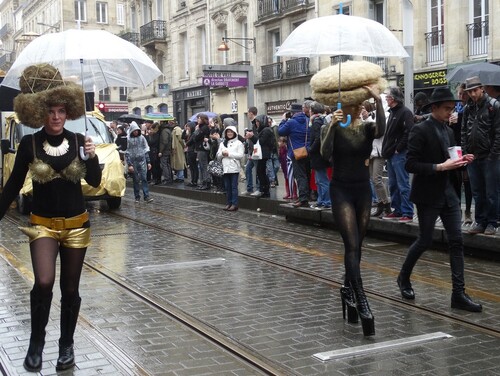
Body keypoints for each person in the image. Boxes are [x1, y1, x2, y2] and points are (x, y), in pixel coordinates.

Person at [0, 64, 102, 372]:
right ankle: (36, 343)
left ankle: (66, 345)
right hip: (42, 225)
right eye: (50, 111)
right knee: (43, 283)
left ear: (67, 111)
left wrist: (92, 155)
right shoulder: (29, 145)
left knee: (70, 290)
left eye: (60, 111)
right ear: (39, 112)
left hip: (76, 226)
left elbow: (95, 182)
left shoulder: (79, 140)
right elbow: (12, 185)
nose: (56, 117)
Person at [310, 60, 386, 337]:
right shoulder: (332, 126)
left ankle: (347, 290)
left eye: (361, 106)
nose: (359, 109)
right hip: (340, 188)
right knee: (351, 244)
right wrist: (330, 125)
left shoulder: (366, 127)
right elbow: (326, 153)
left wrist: (379, 101)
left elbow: (382, 131)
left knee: (358, 245)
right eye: (358, 105)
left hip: (362, 188)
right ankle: (362, 300)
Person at [397, 87, 482, 312]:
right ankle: (403, 277)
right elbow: (410, 164)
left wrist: (462, 160)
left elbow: (450, 158)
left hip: (450, 193)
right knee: (425, 240)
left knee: (457, 242)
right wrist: (439, 167)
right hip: (428, 194)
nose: (450, 113)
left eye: (452, 109)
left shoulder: (449, 130)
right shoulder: (420, 130)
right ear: (433, 108)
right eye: (446, 109)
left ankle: (458, 294)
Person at [461, 76, 500, 235]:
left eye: (475, 90)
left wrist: (493, 154)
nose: (472, 94)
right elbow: (464, 131)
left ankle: (492, 222)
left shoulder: (493, 105)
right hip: (473, 156)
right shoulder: (468, 108)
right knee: (477, 191)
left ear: (482, 89)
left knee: (491, 191)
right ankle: (481, 221)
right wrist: (465, 152)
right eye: (469, 91)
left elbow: (498, 132)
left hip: (490, 156)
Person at [381, 86, 415, 222]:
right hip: (391, 154)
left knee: (403, 184)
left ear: (393, 98)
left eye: (388, 97)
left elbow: (409, 132)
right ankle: (398, 210)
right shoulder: (393, 113)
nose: (386, 99)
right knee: (393, 184)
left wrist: (399, 148)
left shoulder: (404, 112)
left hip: (398, 154)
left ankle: (407, 212)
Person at [278, 102, 311, 208]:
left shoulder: (291, 122)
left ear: (292, 112)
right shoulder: (307, 120)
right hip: (307, 151)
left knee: (300, 176)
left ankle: (303, 199)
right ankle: (307, 196)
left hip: (296, 153)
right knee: (307, 175)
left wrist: (283, 120)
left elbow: (280, 131)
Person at [449, 84, 473, 224]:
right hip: (456, 147)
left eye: (463, 94)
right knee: (456, 180)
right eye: (459, 93)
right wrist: (450, 122)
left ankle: (468, 211)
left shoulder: (469, 109)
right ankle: (457, 209)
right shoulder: (455, 109)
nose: (461, 96)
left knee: (467, 181)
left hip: (467, 147)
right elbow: (451, 129)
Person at [245, 114, 276, 198]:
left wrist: (252, 137)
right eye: (256, 122)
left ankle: (265, 190)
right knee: (260, 171)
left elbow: (261, 142)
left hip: (264, 154)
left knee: (261, 172)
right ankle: (264, 190)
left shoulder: (266, 130)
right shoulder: (263, 130)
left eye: (258, 121)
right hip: (262, 154)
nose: (257, 123)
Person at [308, 101, 331, 209]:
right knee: (319, 180)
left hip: (318, 155)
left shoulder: (317, 122)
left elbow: (317, 139)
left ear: (313, 111)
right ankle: (321, 201)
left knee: (322, 180)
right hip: (319, 155)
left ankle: (326, 202)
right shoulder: (322, 120)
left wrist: (310, 149)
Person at [216, 125, 245, 211]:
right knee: (227, 187)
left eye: (231, 132)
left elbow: (240, 155)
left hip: (234, 168)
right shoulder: (222, 143)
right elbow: (218, 155)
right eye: (228, 132)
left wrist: (229, 154)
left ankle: (234, 204)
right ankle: (228, 203)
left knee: (233, 187)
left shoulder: (239, 143)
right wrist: (222, 154)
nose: (229, 133)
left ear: (234, 133)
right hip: (225, 168)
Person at [126, 122, 153, 203]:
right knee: (136, 180)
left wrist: (148, 162)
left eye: (137, 130)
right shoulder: (128, 139)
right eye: (134, 131)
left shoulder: (142, 138)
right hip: (133, 162)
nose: (136, 132)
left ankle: (146, 196)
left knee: (144, 178)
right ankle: (137, 197)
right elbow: (126, 152)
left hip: (142, 161)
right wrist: (129, 164)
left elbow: (146, 149)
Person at [158, 120, 173, 185]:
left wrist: (161, 151)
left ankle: (167, 178)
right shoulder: (168, 130)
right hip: (167, 150)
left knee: (164, 164)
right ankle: (169, 178)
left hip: (165, 150)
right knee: (167, 164)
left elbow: (164, 142)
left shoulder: (164, 131)